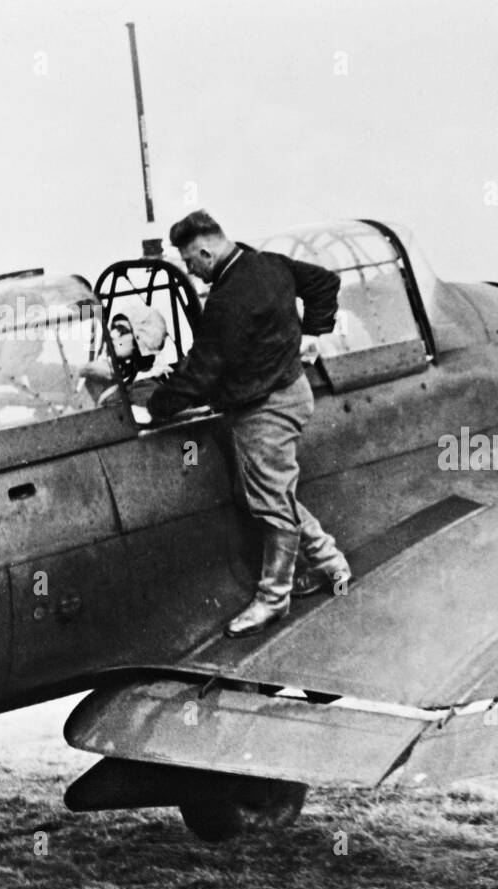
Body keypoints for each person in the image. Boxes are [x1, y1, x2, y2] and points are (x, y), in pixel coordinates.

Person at [148, 210, 351, 637]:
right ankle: (331, 563)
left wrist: (157, 406)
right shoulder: (267, 263)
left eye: (190, 262)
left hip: (265, 409)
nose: (191, 271)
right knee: (268, 490)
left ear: (205, 251)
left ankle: (273, 599)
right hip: (290, 391)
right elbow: (324, 283)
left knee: (270, 502)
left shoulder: (227, 301)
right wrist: (314, 333)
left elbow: (202, 374)